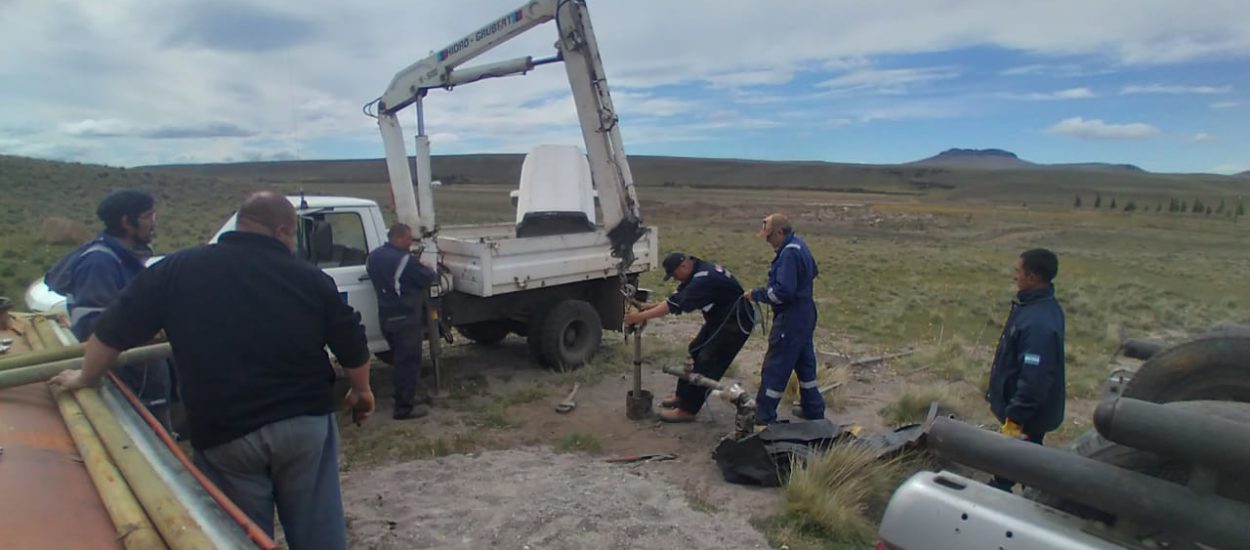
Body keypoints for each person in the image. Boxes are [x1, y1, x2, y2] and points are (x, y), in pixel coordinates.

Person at [50, 192, 375, 550]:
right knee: (319, 532)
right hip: (303, 425)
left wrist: (85, 377)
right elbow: (351, 340)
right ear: (282, 230)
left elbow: (111, 331)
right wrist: (361, 391)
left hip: (226, 433)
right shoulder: (308, 277)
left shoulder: (176, 270)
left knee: (240, 536)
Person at [44, 189, 173, 428]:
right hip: (127, 382)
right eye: (147, 216)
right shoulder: (99, 264)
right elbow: (96, 331)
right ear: (126, 222)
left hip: (143, 374)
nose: (153, 223)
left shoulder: (124, 257)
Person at [625, 252, 754, 422]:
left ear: (683, 266)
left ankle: (688, 410)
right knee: (694, 349)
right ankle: (681, 397)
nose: (675, 279)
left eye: (675, 275)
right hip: (719, 319)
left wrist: (640, 317)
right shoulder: (697, 270)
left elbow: (674, 306)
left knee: (708, 359)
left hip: (734, 323)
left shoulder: (703, 279)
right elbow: (677, 298)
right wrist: (649, 307)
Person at [986, 248, 1066, 492]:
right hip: (1028, 412)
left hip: (1028, 414)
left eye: (1018, 271)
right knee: (1025, 457)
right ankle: (1024, 487)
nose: (1015, 276)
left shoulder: (1039, 322)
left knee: (1018, 458)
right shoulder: (1035, 307)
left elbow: (1035, 379)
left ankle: (1027, 496)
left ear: (1033, 277)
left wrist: (1016, 417)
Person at [744, 213, 825, 424]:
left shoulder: (788, 254)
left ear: (780, 232)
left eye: (769, 237)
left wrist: (758, 294)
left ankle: (763, 416)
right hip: (806, 313)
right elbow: (812, 273)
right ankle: (814, 409)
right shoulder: (800, 245)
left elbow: (783, 292)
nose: (768, 241)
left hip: (790, 317)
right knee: (805, 363)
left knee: (776, 367)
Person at [365, 223, 437, 420]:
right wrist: (428, 267)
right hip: (405, 318)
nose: (410, 243)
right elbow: (426, 277)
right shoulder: (405, 260)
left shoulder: (374, 256)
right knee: (408, 363)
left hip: (386, 316)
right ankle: (404, 408)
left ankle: (407, 396)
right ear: (398, 238)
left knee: (400, 360)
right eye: (408, 239)